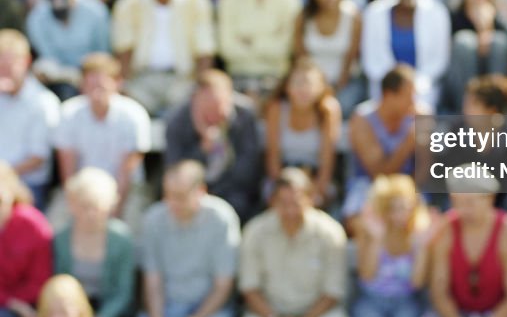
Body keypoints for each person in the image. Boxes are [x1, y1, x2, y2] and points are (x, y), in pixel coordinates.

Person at [124, 160, 239, 317]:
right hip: (166, 307)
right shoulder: (153, 219)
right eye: (167, 195)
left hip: (207, 311)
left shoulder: (221, 219)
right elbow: (152, 279)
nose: (172, 203)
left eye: (180, 196)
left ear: (201, 191)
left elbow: (223, 286)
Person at [238, 168, 349, 317]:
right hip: (268, 316)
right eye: (283, 203)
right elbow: (250, 289)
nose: (290, 211)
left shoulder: (330, 233)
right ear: (272, 202)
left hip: (317, 316)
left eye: (296, 203)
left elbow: (332, 293)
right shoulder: (255, 232)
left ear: (311, 199)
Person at [418, 183, 507, 317]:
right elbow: (439, 289)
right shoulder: (445, 228)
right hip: (456, 310)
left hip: (497, 311)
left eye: (470, 202)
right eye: (457, 202)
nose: (463, 210)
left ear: (490, 198)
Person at [112, 0, 216, 117]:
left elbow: (204, 50)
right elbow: (123, 50)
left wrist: (199, 87)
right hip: (141, 80)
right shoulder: (129, 2)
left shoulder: (196, 0)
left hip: (183, 79)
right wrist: (125, 87)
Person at [53, 52, 152, 230]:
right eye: (91, 84)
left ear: (117, 83)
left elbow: (126, 174)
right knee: (55, 227)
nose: (96, 91)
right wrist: (79, 206)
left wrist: (113, 213)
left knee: (131, 233)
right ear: (82, 85)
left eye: (101, 85)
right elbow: (68, 174)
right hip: (81, 188)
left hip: (126, 191)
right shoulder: (68, 114)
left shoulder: (133, 116)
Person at [164, 69, 264, 224]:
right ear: (194, 101)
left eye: (217, 105)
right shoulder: (177, 121)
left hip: (234, 192)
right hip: (192, 194)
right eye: (206, 107)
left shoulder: (245, 117)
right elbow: (174, 171)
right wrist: (201, 151)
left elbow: (248, 169)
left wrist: (215, 193)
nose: (212, 114)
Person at [352, 175, 433, 317]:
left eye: (405, 208)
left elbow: (416, 283)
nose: (399, 214)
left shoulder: (419, 235)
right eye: (393, 208)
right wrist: (377, 240)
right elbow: (367, 275)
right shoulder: (369, 232)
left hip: (405, 301)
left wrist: (420, 249)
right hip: (371, 300)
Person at [54, 168, 135, 317]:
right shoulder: (60, 239)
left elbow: (123, 293)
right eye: (84, 206)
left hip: (111, 315)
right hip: (72, 312)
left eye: (96, 207)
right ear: (72, 204)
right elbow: (59, 284)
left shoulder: (122, 239)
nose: (90, 214)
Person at [361, 0, 451, 108]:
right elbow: (372, 60)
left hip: (423, 89)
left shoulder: (437, 12)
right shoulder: (374, 12)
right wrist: (394, 85)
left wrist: (414, 85)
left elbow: (438, 61)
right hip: (384, 88)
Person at [217, 0, 302, 97]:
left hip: (276, 79)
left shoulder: (289, 1)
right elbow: (227, 49)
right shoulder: (228, 0)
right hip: (238, 76)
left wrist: (250, 42)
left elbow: (284, 48)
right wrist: (267, 42)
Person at [346, 65, 420, 223]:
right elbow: (378, 173)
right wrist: (409, 142)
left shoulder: (420, 116)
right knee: (357, 221)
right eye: (408, 95)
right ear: (389, 95)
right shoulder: (362, 119)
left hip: (408, 187)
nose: (413, 101)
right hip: (367, 186)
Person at [264, 58, 341, 207]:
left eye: (309, 83)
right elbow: (273, 159)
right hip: (283, 176)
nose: (303, 89)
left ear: (321, 87)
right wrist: (284, 191)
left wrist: (312, 193)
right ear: (287, 86)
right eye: (298, 83)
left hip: (315, 177)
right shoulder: (277, 109)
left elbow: (327, 163)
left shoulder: (329, 110)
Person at [0, 28, 61, 207]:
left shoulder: (44, 103)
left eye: (8, 67)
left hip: (26, 184)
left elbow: (37, 158)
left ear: (26, 62)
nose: (3, 73)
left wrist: (4, 175)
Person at [294, 0, 364, 118]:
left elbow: (351, 58)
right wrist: (315, 86)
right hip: (310, 82)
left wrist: (334, 88)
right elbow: (301, 58)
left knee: (341, 107)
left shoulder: (353, 16)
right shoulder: (303, 17)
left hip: (344, 83)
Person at [27, 0, 111, 97]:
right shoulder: (37, 17)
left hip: (90, 71)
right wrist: (66, 74)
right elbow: (48, 54)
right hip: (58, 74)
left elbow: (102, 52)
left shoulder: (96, 12)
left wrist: (84, 74)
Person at [0, 162, 53, 317]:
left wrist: (18, 304)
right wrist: (10, 301)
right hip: (10, 303)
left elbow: (40, 280)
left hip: (26, 307)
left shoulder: (33, 225)